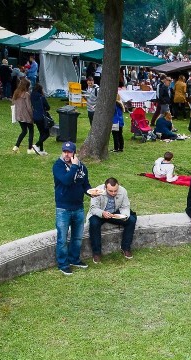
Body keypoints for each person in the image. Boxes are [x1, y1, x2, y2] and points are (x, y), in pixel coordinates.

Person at [53, 141, 95, 275]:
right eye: (64, 151)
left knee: (77, 237)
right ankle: (62, 264)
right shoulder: (58, 166)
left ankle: (74, 259)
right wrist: (74, 167)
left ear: (74, 153)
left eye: (69, 152)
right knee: (62, 239)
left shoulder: (82, 167)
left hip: (78, 207)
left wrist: (91, 192)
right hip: (63, 208)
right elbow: (66, 180)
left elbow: (85, 185)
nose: (66, 154)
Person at [87, 177, 137, 263]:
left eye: (115, 191)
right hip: (100, 213)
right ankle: (96, 253)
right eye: (110, 191)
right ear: (105, 188)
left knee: (131, 220)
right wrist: (102, 213)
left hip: (114, 213)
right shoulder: (97, 191)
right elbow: (93, 208)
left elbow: (125, 206)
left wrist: (124, 216)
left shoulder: (123, 191)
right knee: (94, 223)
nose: (113, 193)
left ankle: (126, 248)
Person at [11, 78, 35, 154]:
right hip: (26, 115)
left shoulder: (16, 93)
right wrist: (32, 116)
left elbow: (13, 103)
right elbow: (29, 107)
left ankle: (16, 146)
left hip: (18, 115)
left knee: (24, 131)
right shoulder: (26, 94)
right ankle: (30, 149)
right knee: (31, 131)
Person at [30, 83, 51, 155]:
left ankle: (41, 150)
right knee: (47, 133)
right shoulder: (41, 97)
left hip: (35, 116)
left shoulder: (31, 96)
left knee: (41, 133)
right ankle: (36, 145)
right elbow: (48, 107)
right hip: (42, 117)